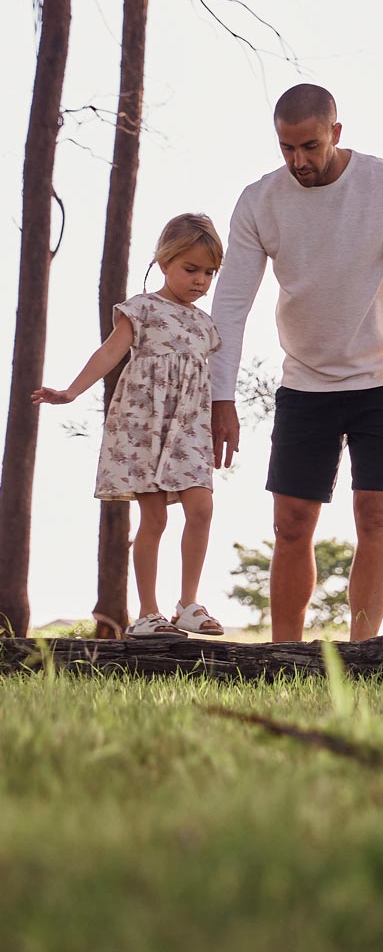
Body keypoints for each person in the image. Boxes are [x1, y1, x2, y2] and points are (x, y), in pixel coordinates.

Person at [209, 84, 383, 642]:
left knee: (375, 518)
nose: (299, 161)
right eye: (287, 149)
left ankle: (363, 654)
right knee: (291, 524)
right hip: (305, 384)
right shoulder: (259, 201)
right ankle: (283, 655)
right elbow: (231, 304)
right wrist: (221, 397)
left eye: (310, 146)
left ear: (336, 133)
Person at [33, 213, 226, 637]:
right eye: (190, 269)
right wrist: (71, 391)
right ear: (164, 262)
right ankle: (148, 614)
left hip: (190, 429)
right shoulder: (142, 309)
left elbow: (216, 377)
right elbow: (109, 353)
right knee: (154, 520)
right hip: (145, 426)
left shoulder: (206, 324)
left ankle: (189, 604)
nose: (200, 280)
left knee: (202, 507)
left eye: (209, 272)